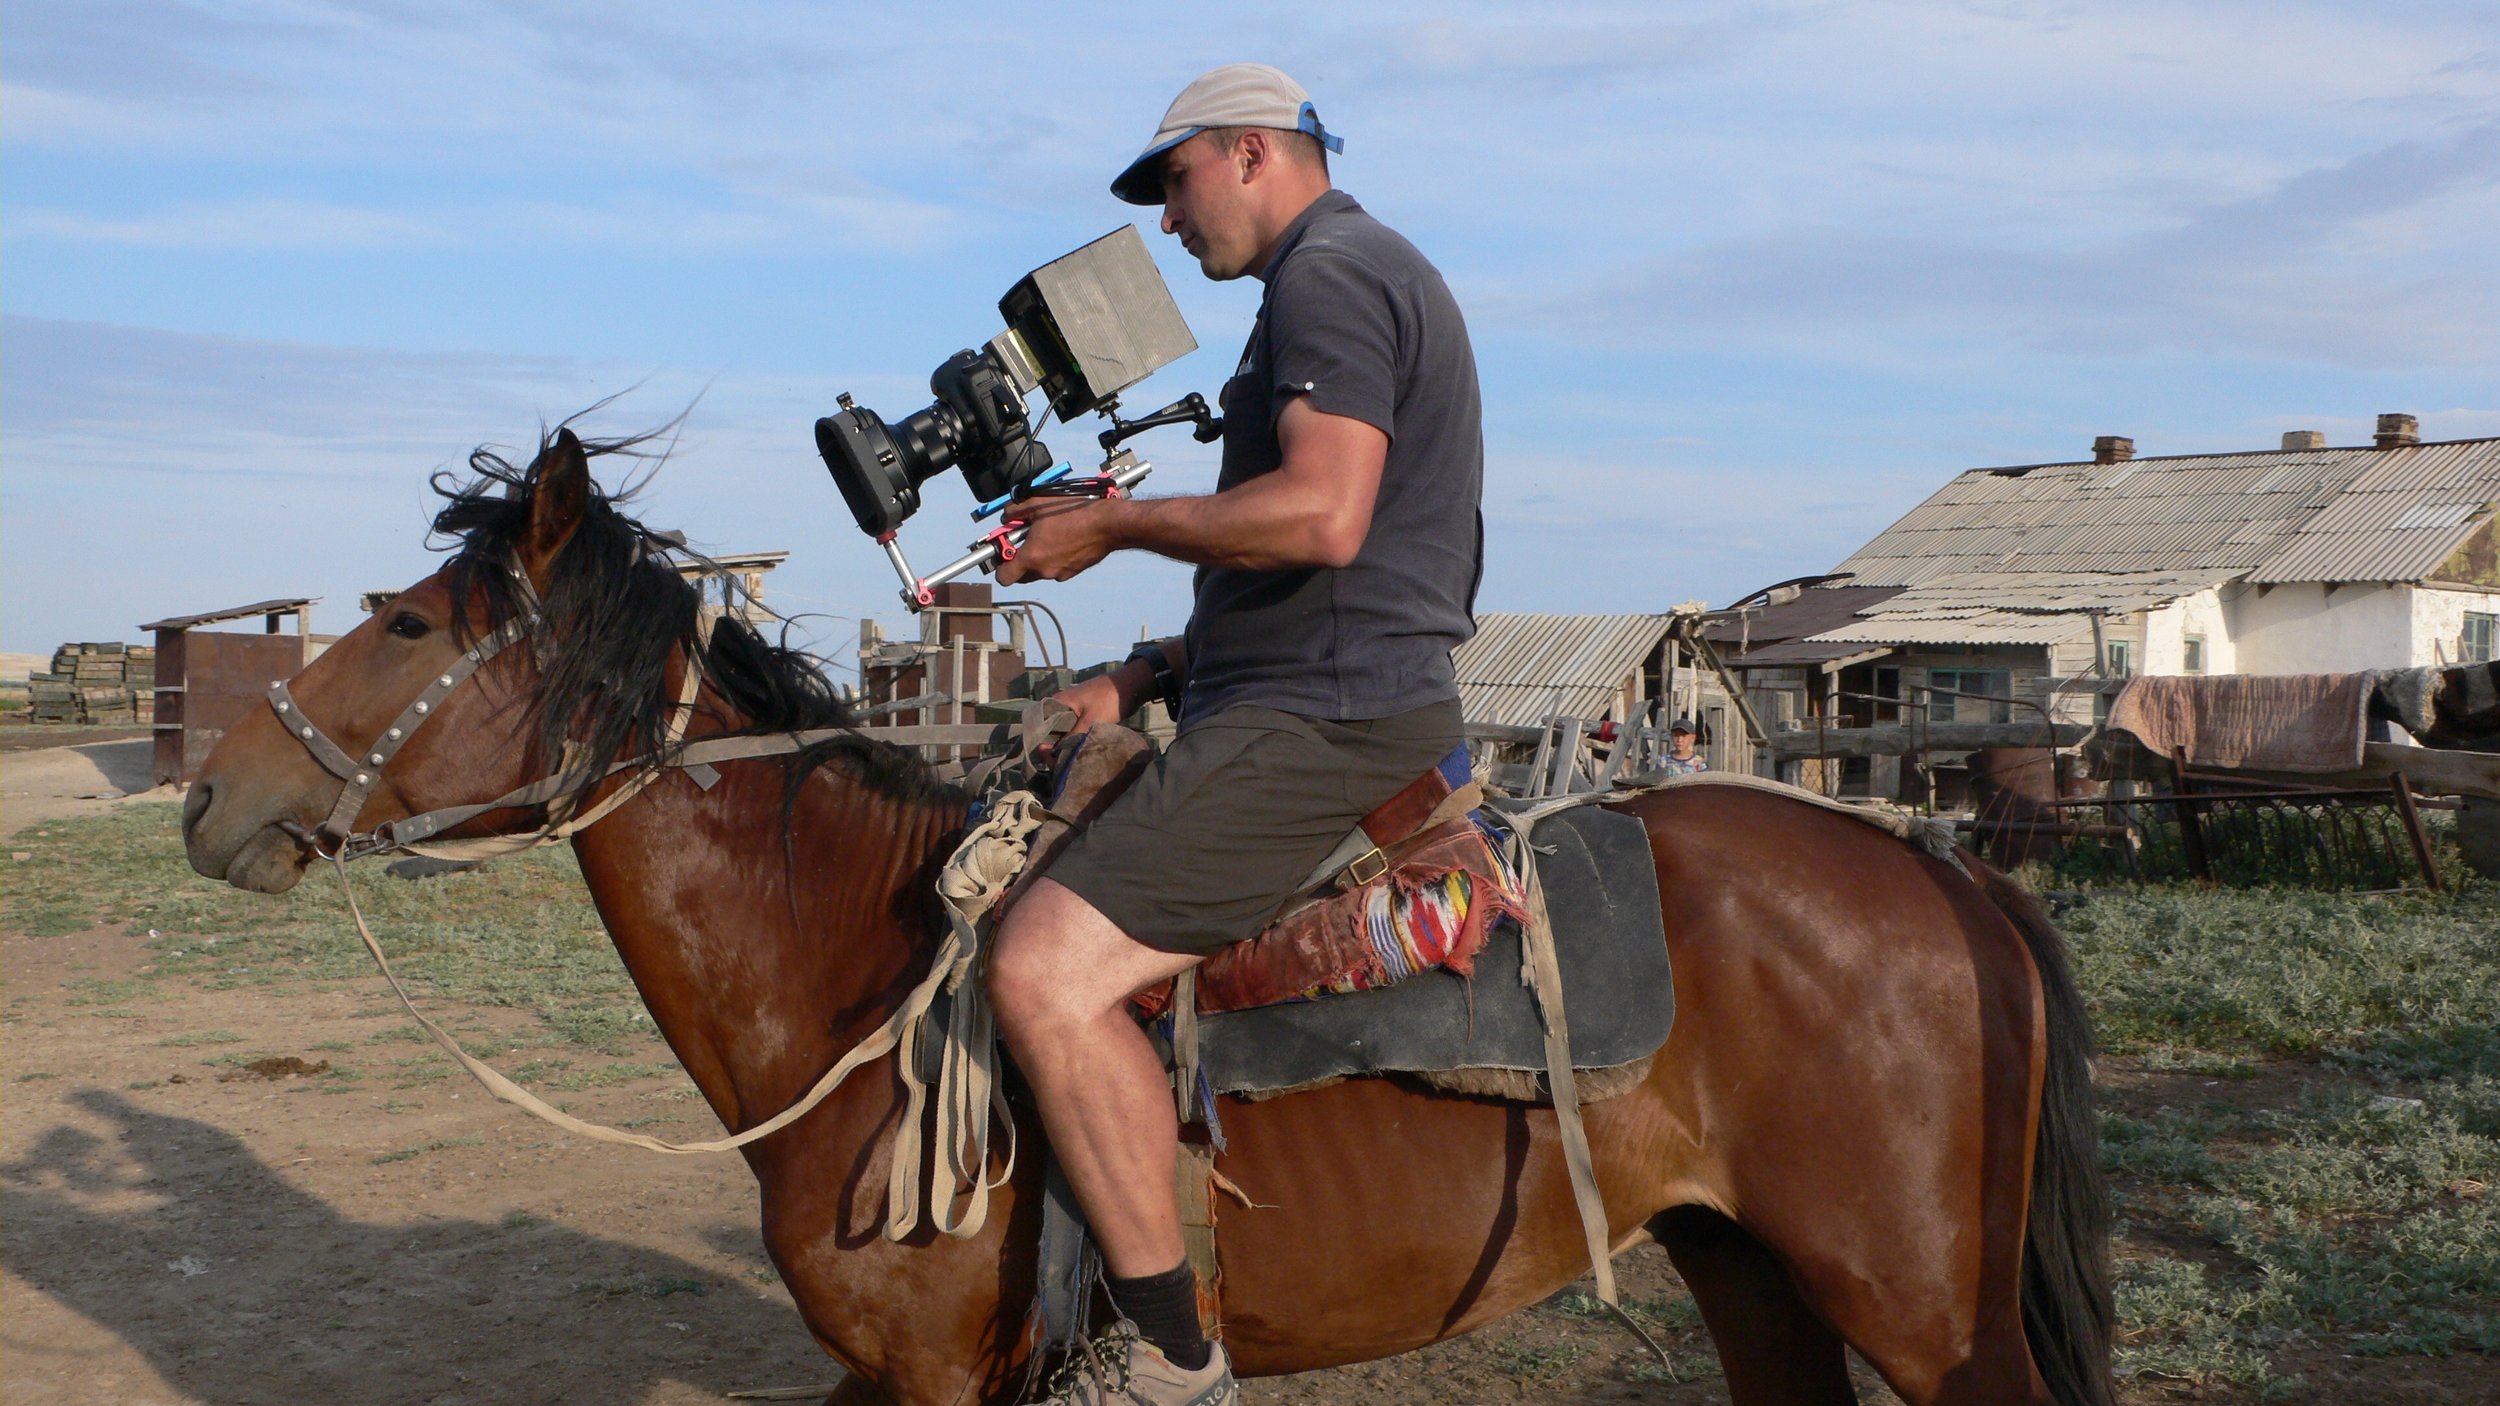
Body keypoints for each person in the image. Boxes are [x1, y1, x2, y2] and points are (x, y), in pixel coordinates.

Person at [986, 62, 1484, 1404]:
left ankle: (1172, 1356)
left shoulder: (1332, 275)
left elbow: (1324, 517)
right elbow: (1324, 574)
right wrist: (1145, 669)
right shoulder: (1335, 281)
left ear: (1253, 150)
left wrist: (1113, 525)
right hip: (1313, 685)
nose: (1164, 218)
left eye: (1174, 181)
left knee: (1040, 970)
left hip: (1328, 720)